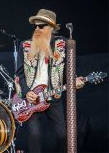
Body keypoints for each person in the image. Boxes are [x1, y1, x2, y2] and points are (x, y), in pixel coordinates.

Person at [15, 9, 85, 152]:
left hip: (54, 97)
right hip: (32, 100)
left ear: (51, 28)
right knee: (35, 135)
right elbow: (19, 76)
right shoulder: (25, 46)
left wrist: (75, 80)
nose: (37, 29)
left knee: (62, 136)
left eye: (41, 26)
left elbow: (68, 73)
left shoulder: (64, 44)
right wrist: (27, 92)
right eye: (35, 26)